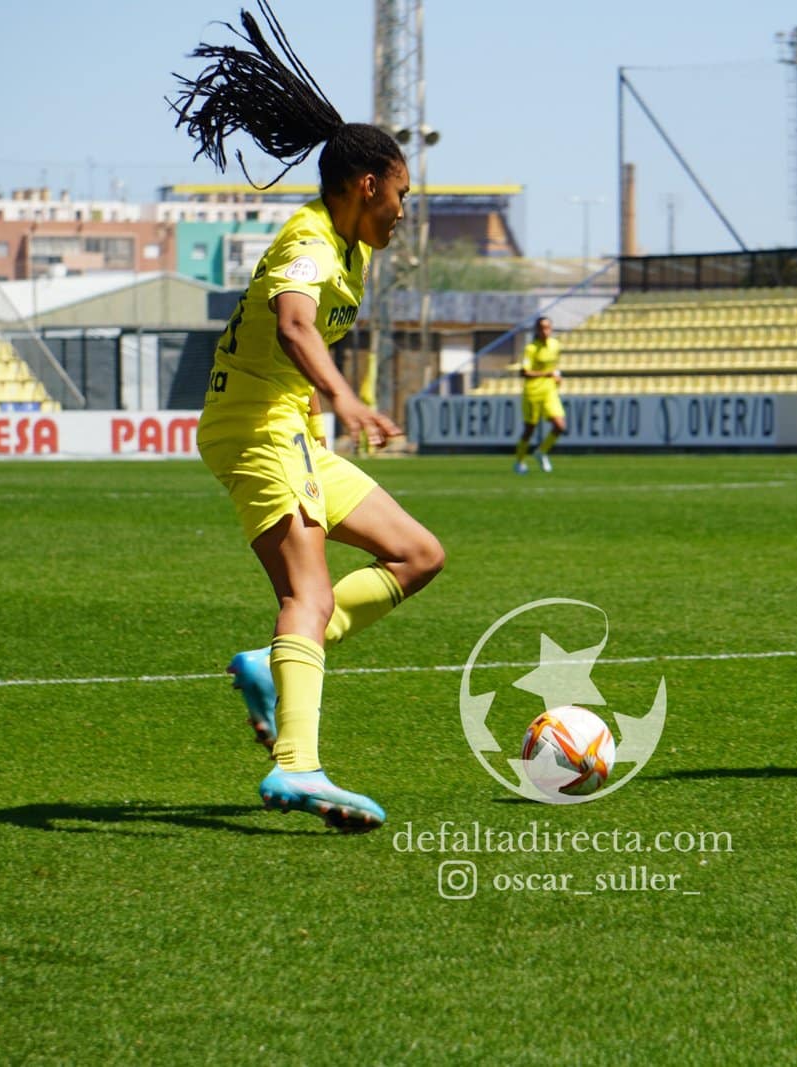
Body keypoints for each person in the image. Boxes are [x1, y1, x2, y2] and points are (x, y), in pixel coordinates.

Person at [172, 1, 445, 831]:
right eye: (402, 191)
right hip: (257, 432)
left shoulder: (351, 246)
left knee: (419, 554)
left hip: (288, 431)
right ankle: (297, 768)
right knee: (310, 593)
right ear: (367, 185)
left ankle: (269, 663)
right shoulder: (310, 243)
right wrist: (347, 396)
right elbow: (293, 323)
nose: (405, 207)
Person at [514, 315, 566, 473]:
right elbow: (523, 372)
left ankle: (541, 451)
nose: (545, 331)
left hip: (549, 390)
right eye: (542, 328)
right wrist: (546, 374)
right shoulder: (531, 348)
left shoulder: (555, 345)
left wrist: (557, 376)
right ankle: (520, 461)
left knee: (560, 426)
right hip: (533, 391)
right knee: (530, 429)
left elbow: (555, 366)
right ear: (536, 330)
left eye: (548, 327)